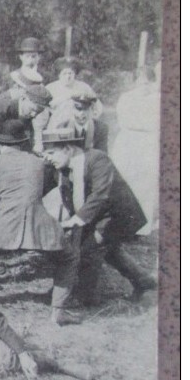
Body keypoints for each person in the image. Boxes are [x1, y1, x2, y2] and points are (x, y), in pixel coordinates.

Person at [0, 119, 76, 324]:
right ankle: (58, 310)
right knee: (69, 257)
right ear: (24, 142)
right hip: (40, 226)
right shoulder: (40, 162)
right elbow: (59, 189)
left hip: (2, 226)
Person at [40, 127, 156, 311]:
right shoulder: (60, 166)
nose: (47, 158)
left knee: (89, 251)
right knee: (110, 252)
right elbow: (43, 186)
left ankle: (86, 299)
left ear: (68, 148)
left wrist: (77, 219)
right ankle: (145, 282)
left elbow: (101, 194)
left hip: (117, 216)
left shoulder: (98, 159)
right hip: (95, 216)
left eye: (51, 152)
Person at [110, 64, 160, 235]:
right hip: (128, 141)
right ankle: (120, 222)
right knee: (125, 178)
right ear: (134, 83)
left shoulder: (158, 99)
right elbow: (124, 120)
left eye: (147, 83)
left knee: (146, 182)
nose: (143, 87)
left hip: (148, 142)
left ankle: (142, 225)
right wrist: (143, 124)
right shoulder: (126, 98)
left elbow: (157, 123)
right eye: (140, 83)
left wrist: (147, 126)